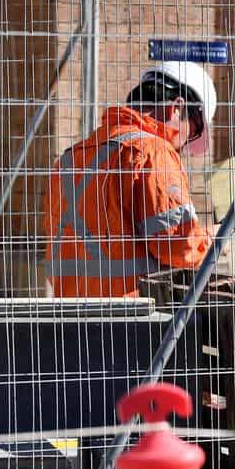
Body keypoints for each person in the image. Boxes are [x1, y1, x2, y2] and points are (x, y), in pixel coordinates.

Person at [45, 62, 216, 298]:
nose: (186, 145)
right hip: (131, 321)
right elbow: (177, 247)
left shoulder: (69, 159)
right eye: (194, 131)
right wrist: (210, 241)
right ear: (176, 108)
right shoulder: (153, 153)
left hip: (70, 316)